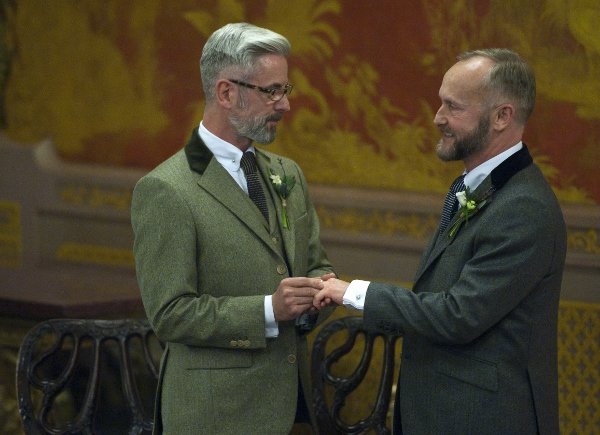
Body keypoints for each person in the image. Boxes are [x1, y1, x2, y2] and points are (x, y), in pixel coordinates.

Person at [314, 48, 567, 435]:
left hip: (485, 419)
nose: (438, 118)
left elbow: (457, 317)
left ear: (503, 117)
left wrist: (353, 292)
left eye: (453, 106)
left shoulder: (525, 208)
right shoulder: (477, 186)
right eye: (440, 102)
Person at [131, 22, 335, 434]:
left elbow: (313, 262)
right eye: (271, 91)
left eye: (285, 90)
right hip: (216, 416)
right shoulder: (166, 189)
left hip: (294, 411)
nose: (285, 105)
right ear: (226, 93)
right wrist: (268, 310)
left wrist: (316, 290)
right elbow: (169, 315)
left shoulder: (287, 173)